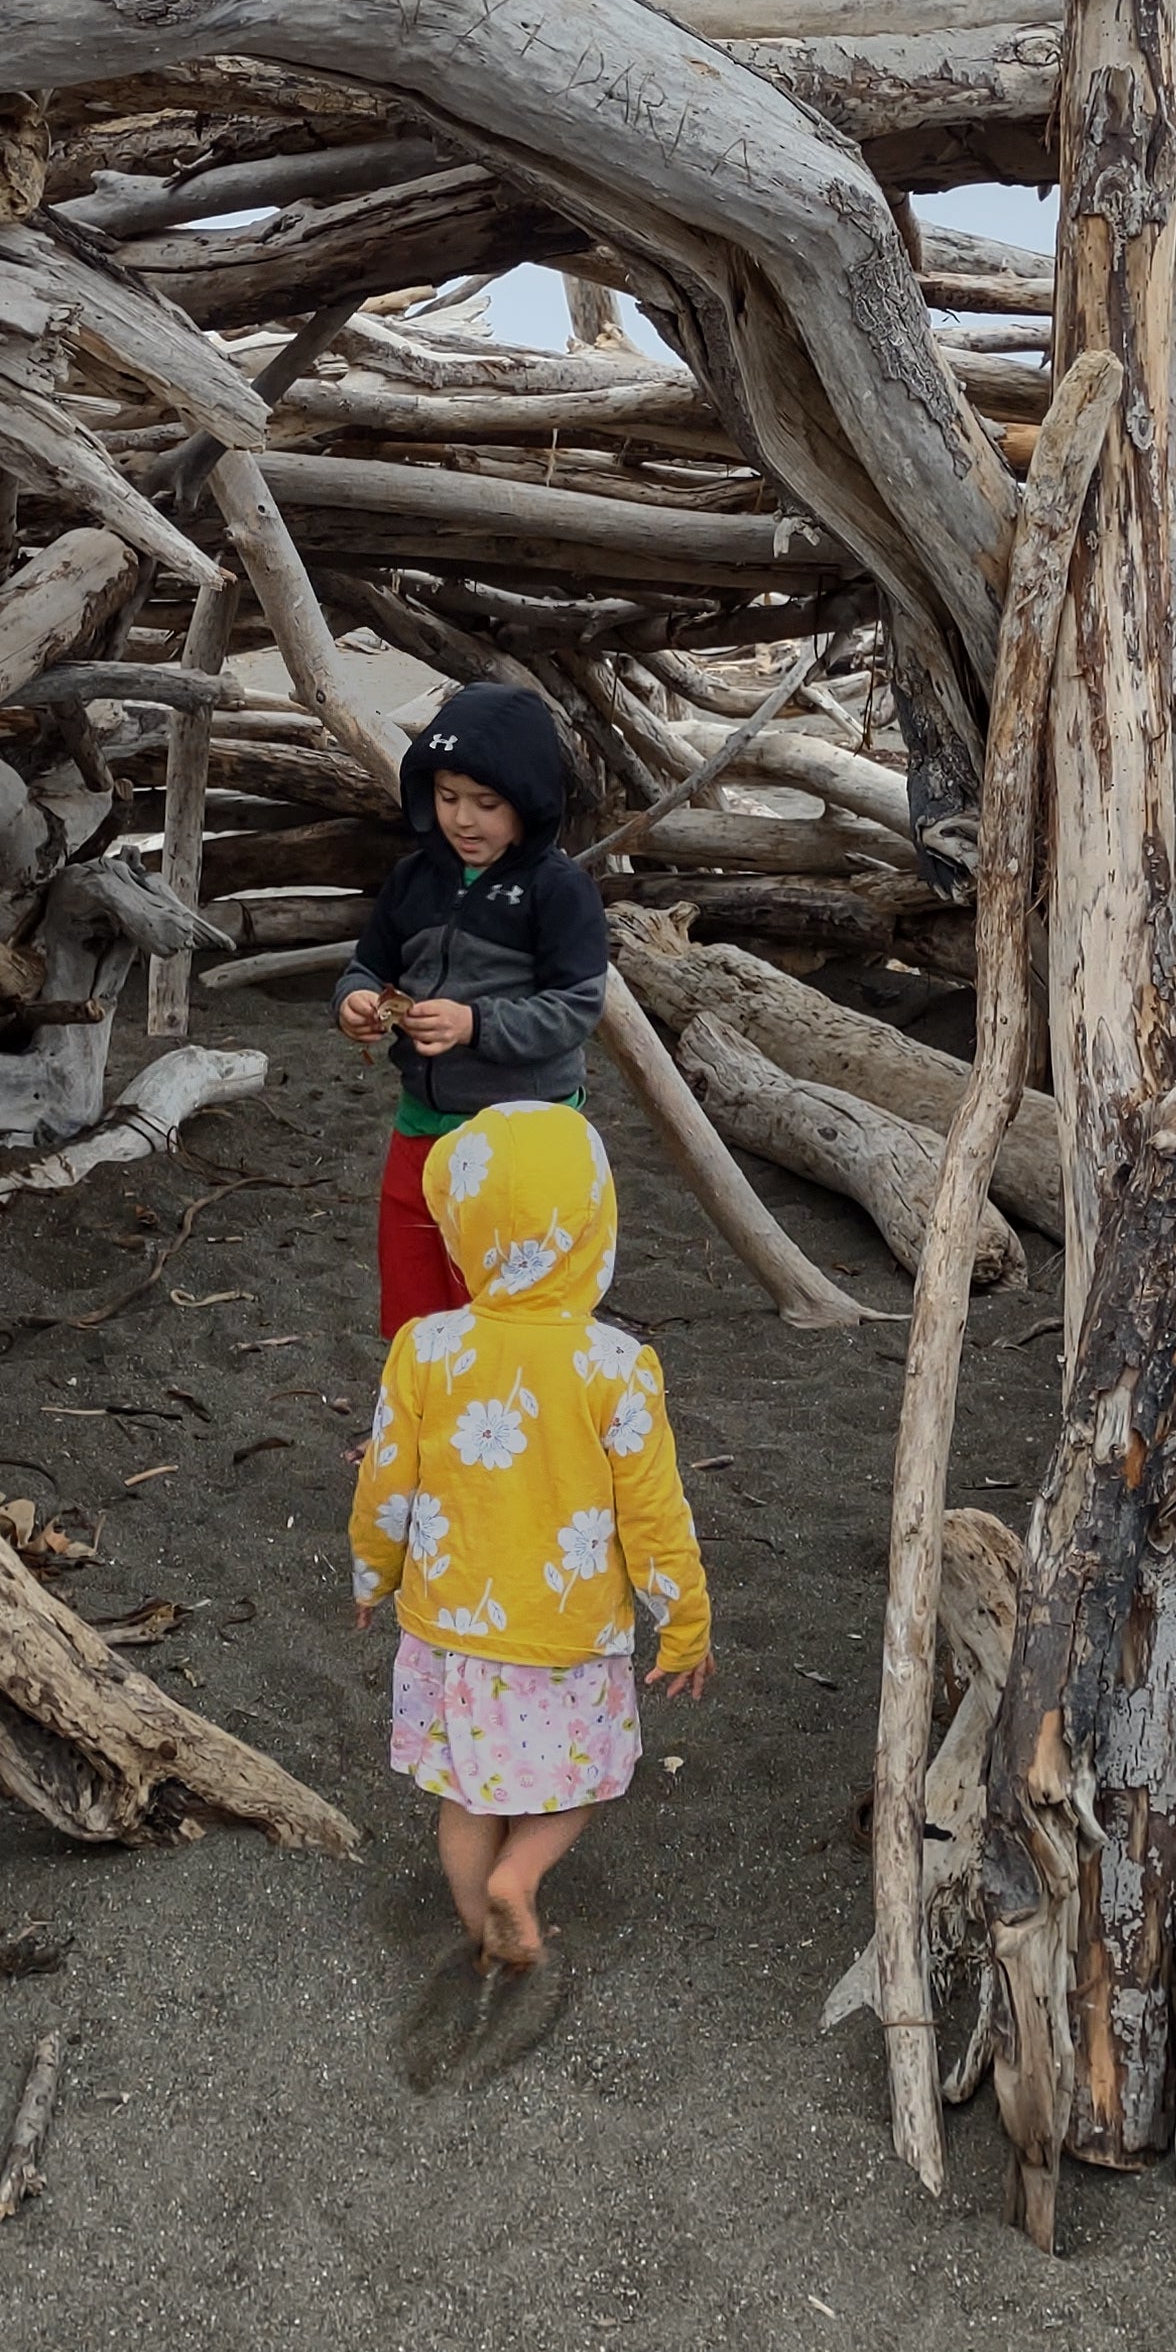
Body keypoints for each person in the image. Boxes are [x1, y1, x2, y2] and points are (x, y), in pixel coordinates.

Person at [349, 1098, 711, 1984]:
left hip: (449, 1627)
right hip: (568, 1636)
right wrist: (686, 1617)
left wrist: (372, 1577)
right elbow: (654, 1513)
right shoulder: (616, 1366)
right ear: (592, 1225)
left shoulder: (426, 1348)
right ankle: (523, 1875)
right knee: (582, 1779)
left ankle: (480, 1927)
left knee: (466, 1793)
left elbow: (385, 1480)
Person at [333, 680, 610, 1338]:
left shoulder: (559, 891)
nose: (462, 819)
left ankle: (489, 1436)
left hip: (520, 1136)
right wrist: (356, 1000)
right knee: (411, 1290)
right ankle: (416, 1427)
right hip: (420, 1123)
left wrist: (473, 1025)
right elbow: (368, 964)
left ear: (530, 805)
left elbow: (575, 1009)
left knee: (499, 1308)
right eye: (448, 797)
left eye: (487, 803)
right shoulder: (414, 880)